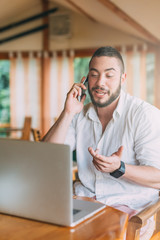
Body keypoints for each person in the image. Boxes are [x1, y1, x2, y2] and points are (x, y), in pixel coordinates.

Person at [43, 46, 160, 211]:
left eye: (109, 75)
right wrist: (68, 112)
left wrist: (120, 168)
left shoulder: (145, 115)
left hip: (129, 206)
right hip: (84, 201)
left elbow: (157, 176)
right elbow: (45, 158)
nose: (100, 83)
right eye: (94, 75)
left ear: (122, 78)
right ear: (86, 79)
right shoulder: (79, 114)